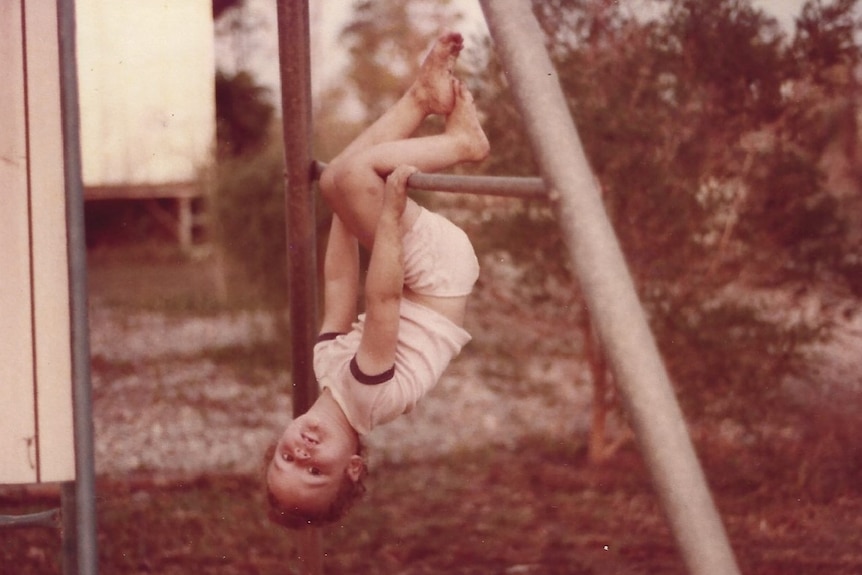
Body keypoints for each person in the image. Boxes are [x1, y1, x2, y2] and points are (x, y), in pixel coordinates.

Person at [264, 32, 490, 529]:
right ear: (353, 466)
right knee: (359, 175)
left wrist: (343, 212)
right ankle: (463, 142)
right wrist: (383, 214)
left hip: (417, 281)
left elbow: (341, 284)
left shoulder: (328, 371)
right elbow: (382, 299)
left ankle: (421, 98)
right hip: (439, 278)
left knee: (334, 181)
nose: (302, 451)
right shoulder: (366, 396)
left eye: (286, 459)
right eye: (315, 471)